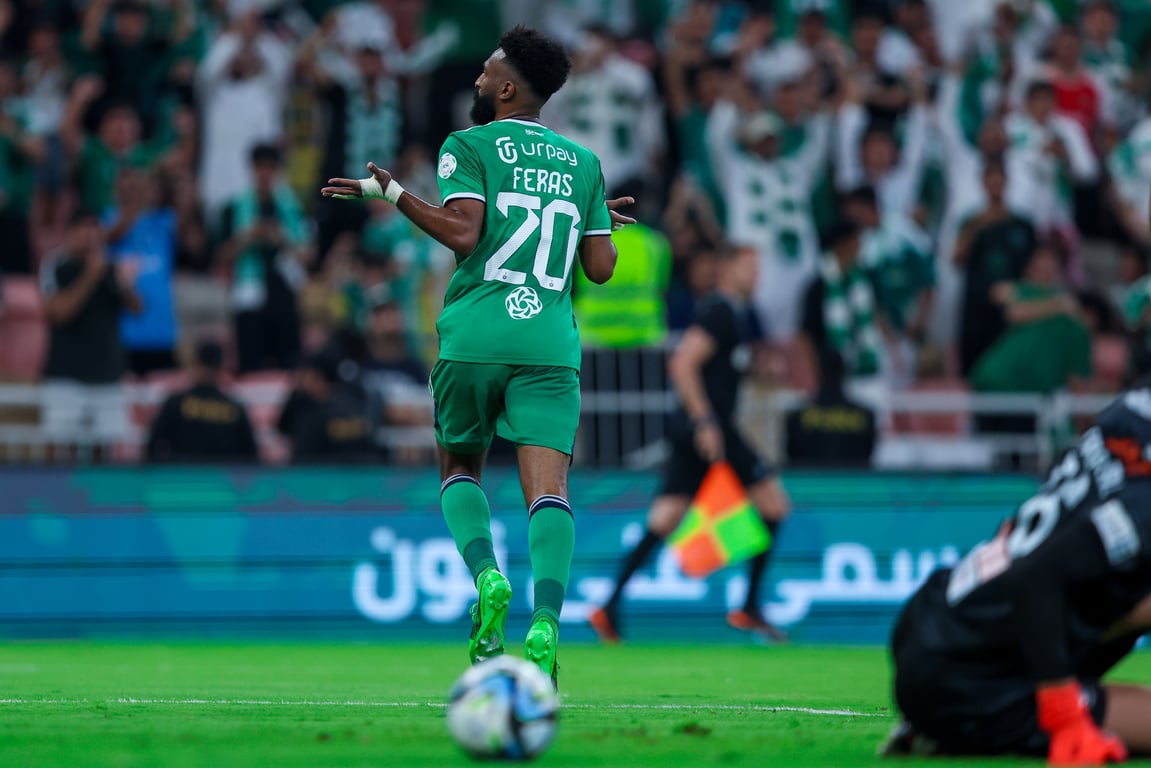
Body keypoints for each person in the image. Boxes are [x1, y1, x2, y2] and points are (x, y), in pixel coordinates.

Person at [321, 25, 635, 684]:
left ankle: (489, 578)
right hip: (548, 345)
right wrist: (590, 216)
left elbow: (464, 234)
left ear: (508, 88)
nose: (477, 79)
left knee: (460, 467)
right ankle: (546, 622)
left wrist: (394, 194)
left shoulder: (467, 144)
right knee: (549, 489)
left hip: (476, 337)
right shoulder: (584, 164)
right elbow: (601, 268)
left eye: (487, 71)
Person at [885, 388, 1151, 764]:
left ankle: (948, 722)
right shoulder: (1141, 506)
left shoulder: (1130, 411)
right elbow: (1038, 578)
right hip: (972, 681)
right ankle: (963, 727)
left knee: (1125, 585)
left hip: (935, 618)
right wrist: (1064, 714)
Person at [588, 244, 791, 643]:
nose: (757, 276)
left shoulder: (733, 314)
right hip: (711, 430)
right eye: (750, 267)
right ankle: (749, 607)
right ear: (727, 268)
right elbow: (682, 363)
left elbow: (714, 369)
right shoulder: (719, 311)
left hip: (694, 430)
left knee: (665, 519)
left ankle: (608, 607)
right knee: (774, 505)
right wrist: (705, 422)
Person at [39, 210, 141, 448]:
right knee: (59, 448)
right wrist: (90, 276)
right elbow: (59, 313)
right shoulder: (55, 266)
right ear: (69, 234)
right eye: (82, 231)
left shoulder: (111, 267)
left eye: (94, 232)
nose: (89, 238)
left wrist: (126, 285)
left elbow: (137, 309)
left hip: (108, 377)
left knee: (108, 449)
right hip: (65, 377)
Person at [145, 340, 258, 463]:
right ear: (221, 367)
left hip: (183, 473)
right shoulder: (234, 409)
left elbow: (151, 449)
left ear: (195, 364)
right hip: (221, 474)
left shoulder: (175, 404)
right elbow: (251, 457)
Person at [785, 348, 876, 467]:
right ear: (843, 372)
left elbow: (793, 459)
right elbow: (866, 456)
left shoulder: (796, 418)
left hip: (811, 478)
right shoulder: (865, 416)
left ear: (818, 372)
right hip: (851, 478)